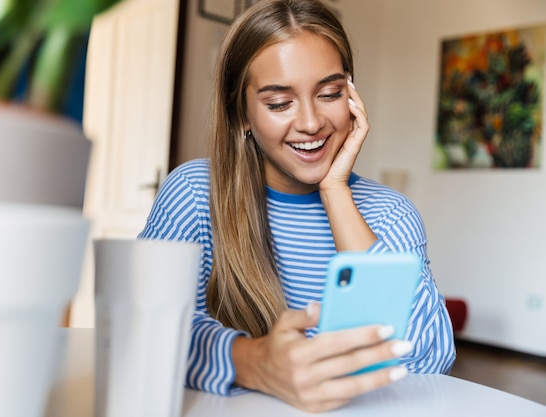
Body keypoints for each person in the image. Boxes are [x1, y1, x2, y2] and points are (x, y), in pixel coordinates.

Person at [139, 0, 456, 412]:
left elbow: (429, 358)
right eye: (279, 103)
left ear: (352, 97)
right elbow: (146, 324)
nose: (310, 122)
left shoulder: (390, 213)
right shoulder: (194, 192)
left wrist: (336, 191)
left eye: (329, 93)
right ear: (243, 116)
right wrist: (254, 362)